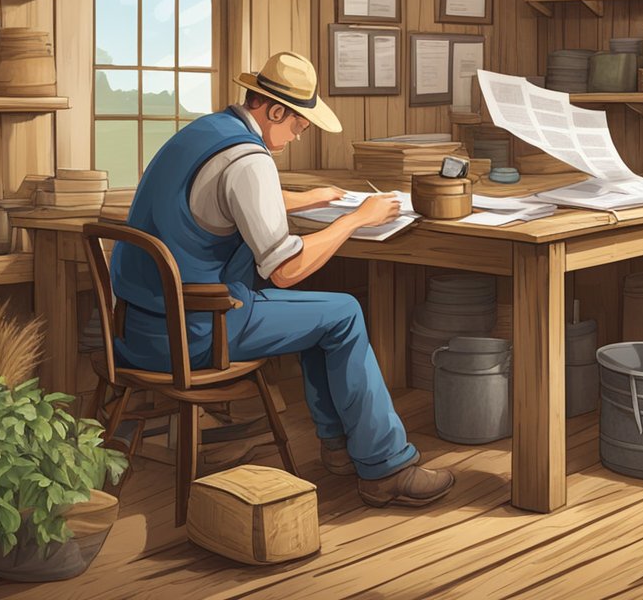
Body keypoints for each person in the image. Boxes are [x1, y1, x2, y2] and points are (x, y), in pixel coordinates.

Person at [110, 51, 454, 508]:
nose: (296, 136)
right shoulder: (250, 161)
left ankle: (338, 450)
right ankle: (385, 467)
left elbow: (217, 200)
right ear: (274, 111)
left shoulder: (205, 133)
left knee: (322, 319)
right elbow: (286, 269)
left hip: (137, 326)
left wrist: (305, 198)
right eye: (298, 126)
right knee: (343, 313)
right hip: (194, 332)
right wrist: (354, 220)